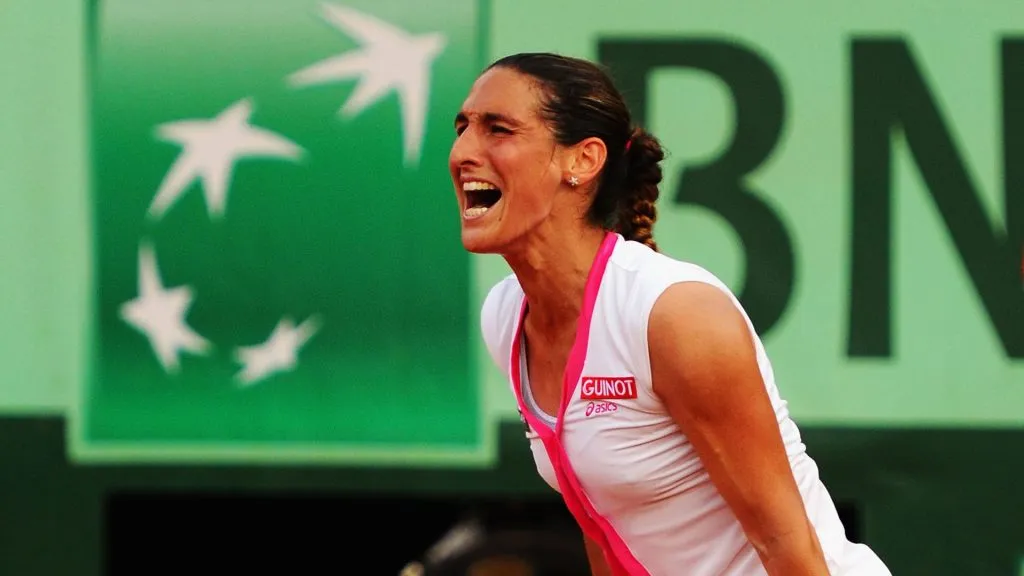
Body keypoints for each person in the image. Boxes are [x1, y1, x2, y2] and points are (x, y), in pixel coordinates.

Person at [448, 52, 892, 576]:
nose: (461, 152)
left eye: (498, 129)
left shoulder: (674, 313)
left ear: (582, 160)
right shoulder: (504, 316)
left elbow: (788, 546)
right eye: (462, 127)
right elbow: (603, 530)